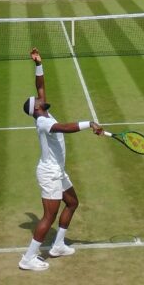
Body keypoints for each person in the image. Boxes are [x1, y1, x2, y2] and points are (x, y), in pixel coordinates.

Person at [19, 48, 103, 271]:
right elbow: (64, 128)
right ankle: (28, 258)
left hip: (57, 170)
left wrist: (38, 63)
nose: (40, 97)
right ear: (36, 108)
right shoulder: (44, 122)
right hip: (49, 173)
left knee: (73, 202)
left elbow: (40, 85)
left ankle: (58, 246)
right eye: (37, 100)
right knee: (49, 215)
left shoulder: (42, 111)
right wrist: (89, 123)